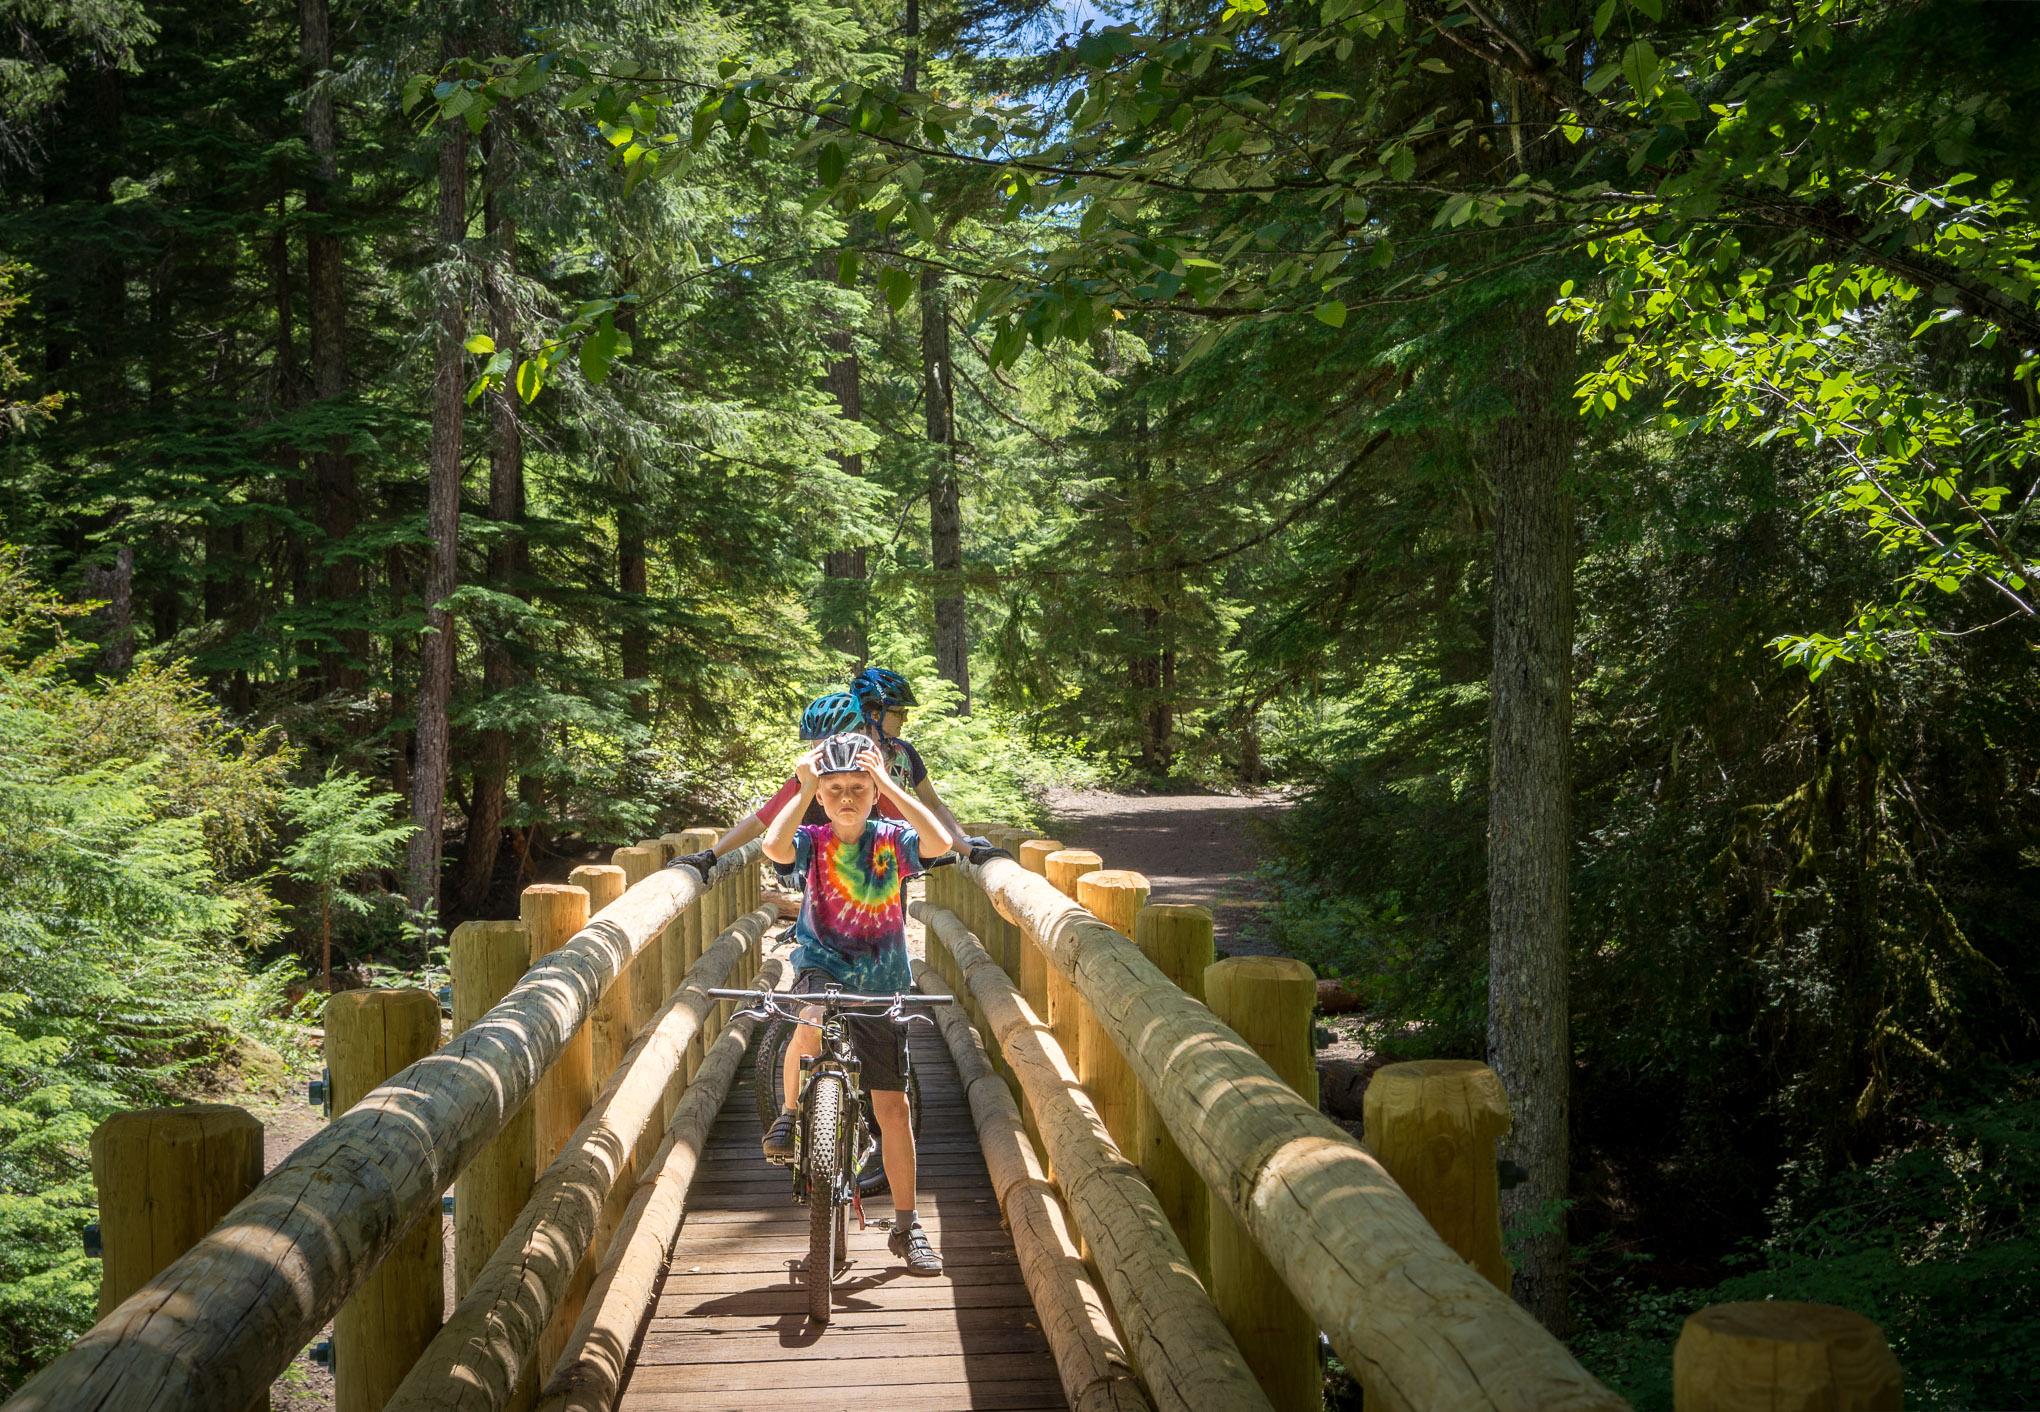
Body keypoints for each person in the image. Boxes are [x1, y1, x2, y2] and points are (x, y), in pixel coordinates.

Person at [758, 731, 955, 1275]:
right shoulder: (814, 840)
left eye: (859, 789)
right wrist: (800, 787)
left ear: (872, 793)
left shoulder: (892, 838)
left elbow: (938, 844)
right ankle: (791, 1113)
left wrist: (893, 784)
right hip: (823, 965)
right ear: (822, 795)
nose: (847, 797)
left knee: (893, 1109)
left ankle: (907, 1225)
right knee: (811, 1013)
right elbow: (773, 847)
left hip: (881, 981)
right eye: (835, 788)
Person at [668, 674, 968, 879]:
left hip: (879, 871)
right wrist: (712, 854)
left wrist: (966, 847)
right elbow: (762, 820)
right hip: (823, 872)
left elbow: (910, 821)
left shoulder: (876, 775)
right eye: (816, 744)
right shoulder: (810, 775)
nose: (820, 750)